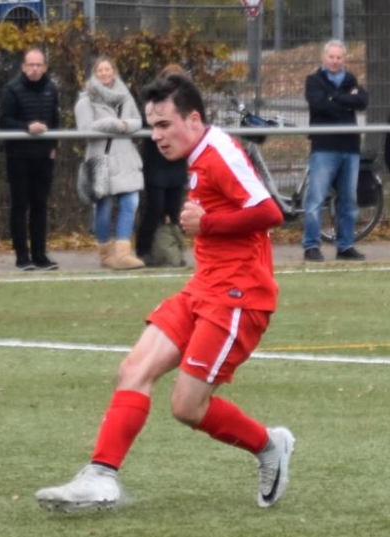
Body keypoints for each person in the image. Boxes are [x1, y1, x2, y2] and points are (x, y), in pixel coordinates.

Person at [35, 74, 294, 513]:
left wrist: (207, 224)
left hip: (238, 296)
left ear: (193, 119)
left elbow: (270, 212)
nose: (156, 135)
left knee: (187, 407)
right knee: (134, 369)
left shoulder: (220, 152)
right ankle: (100, 477)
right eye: (152, 126)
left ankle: (270, 446)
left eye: (164, 125)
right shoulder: (199, 154)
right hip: (204, 287)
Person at [74, 56, 145, 270]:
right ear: (95, 74)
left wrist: (126, 125)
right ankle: (105, 254)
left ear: (114, 71)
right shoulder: (86, 100)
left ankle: (123, 253)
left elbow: (137, 121)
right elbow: (85, 129)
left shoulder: (126, 96)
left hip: (126, 159)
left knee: (130, 202)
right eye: (100, 70)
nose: (104, 73)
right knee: (103, 207)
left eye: (108, 69)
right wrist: (112, 124)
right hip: (101, 160)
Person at [303, 39, 368, 262]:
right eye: (331, 57)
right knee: (316, 199)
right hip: (324, 147)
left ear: (344, 59)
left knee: (348, 200)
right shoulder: (314, 81)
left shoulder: (350, 79)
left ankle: (345, 245)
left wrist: (335, 98)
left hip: (350, 147)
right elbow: (319, 105)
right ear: (324, 57)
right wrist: (346, 101)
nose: (335, 61)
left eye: (339, 57)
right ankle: (311, 245)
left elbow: (362, 101)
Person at [0, 47, 60, 271]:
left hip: (44, 157)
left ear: (45, 67)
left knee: (40, 206)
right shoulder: (11, 89)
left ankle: (40, 254)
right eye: (31, 65)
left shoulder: (51, 89)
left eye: (38, 65)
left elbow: (56, 121)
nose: (34, 69)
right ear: (23, 67)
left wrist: (54, 147)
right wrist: (27, 127)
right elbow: (4, 121)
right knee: (20, 206)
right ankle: (22, 256)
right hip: (19, 157)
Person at [136, 64, 189, 266]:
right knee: (155, 209)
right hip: (156, 162)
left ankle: (170, 251)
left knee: (173, 211)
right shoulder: (153, 102)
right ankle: (143, 250)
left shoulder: (186, 103)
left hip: (177, 162)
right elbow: (148, 124)